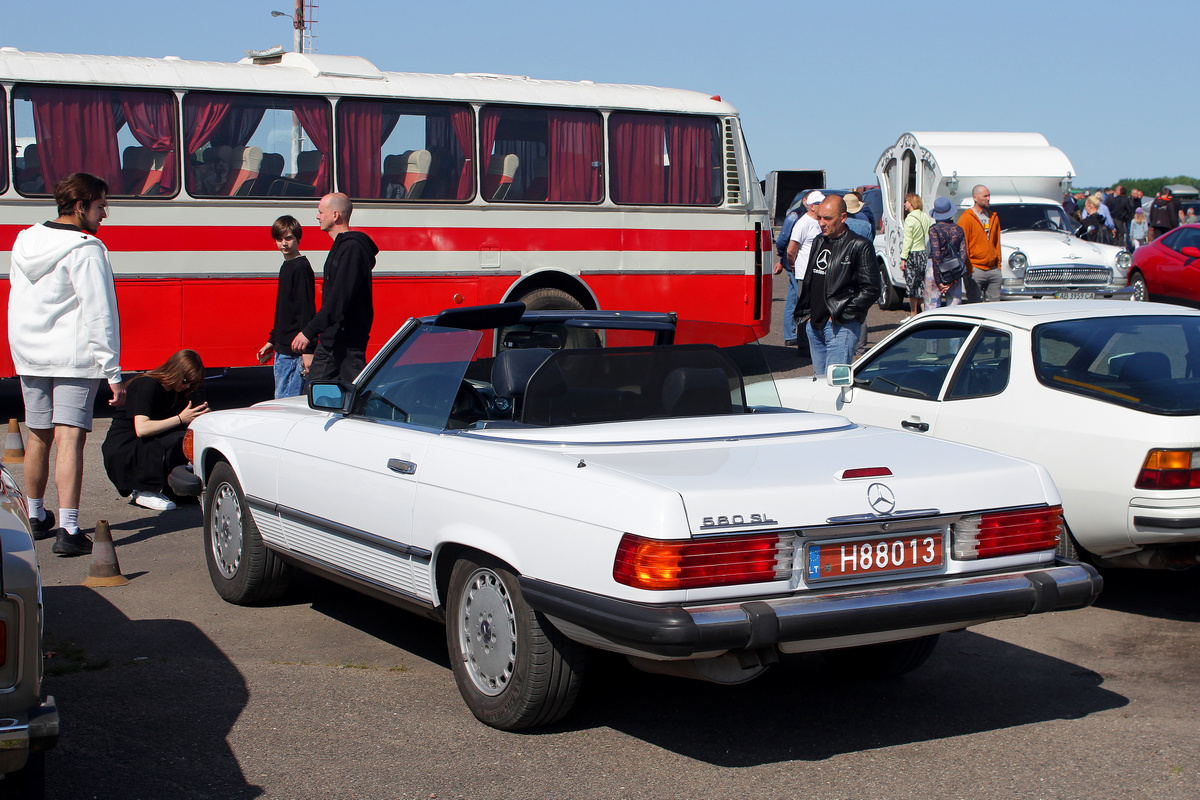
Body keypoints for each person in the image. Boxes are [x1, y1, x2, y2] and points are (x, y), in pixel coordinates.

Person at [8, 172, 125, 557]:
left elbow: (18, 300)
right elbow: (100, 313)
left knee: (37, 435)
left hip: (30, 355)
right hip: (73, 358)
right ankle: (70, 529)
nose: (104, 214)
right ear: (80, 207)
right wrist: (113, 371)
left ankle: (37, 516)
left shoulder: (24, 239)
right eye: (100, 206)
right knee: (70, 439)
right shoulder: (86, 248)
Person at [101, 350, 208, 511]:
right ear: (175, 371)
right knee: (178, 439)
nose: (187, 386)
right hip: (126, 446)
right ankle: (144, 489)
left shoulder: (176, 392)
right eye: (186, 380)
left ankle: (169, 487)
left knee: (188, 437)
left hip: (146, 444)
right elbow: (142, 429)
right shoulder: (146, 385)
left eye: (192, 384)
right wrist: (180, 418)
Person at [291, 193, 379, 384]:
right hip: (331, 340)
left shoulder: (353, 249)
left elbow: (339, 298)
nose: (317, 216)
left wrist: (308, 332)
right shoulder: (340, 247)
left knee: (357, 398)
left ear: (335, 215)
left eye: (321, 212)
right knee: (314, 397)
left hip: (347, 342)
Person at [800, 195, 879, 375]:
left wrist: (842, 314)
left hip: (840, 327)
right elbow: (811, 279)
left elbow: (871, 289)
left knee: (835, 385)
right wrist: (808, 314)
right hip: (815, 324)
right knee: (819, 384)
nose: (821, 223)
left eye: (827, 218)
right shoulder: (819, 241)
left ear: (843, 217)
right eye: (819, 217)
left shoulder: (860, 245)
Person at [256, 216, 316, 398]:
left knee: (286, 404)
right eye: (279, 239)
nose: (284, 243)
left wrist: (308, 350)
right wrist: (273, 340)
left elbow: (306, 310)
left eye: (288, 238)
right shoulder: (287, 266)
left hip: (294, 352)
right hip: (284, 349)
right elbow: (284, 310)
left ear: (298, 238)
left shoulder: (301, 267)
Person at [784, 190, 824, 352]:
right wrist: (792, 265)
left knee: (816, 307)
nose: (823, 206)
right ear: (812, 206)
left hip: (818, 271)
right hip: (804, 273)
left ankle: (814, 341)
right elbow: (791, 250)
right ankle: (803, 344)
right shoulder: (803, 223)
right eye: (820, 203)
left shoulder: (819, 222)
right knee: (804, 308)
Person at [958, 185, 1001, 302]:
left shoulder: (993, 217)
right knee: (974, 303)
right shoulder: (966, 218)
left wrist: (998, 265)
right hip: (975, 268)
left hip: (993, 269)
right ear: (975, 197)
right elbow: (963, 244)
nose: (988, 199)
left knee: (995, 304)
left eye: (989, 196)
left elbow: (997, 243)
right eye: (985, 196)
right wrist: (968, 268)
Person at [926, 197, 968, 308]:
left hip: (935, 268)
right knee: (954, 306)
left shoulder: (934, 229)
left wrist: (939, 280)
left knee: (931, 305)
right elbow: (963, 255)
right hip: (955, 267)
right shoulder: (959, 229)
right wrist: (952, 280)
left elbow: (936, 255)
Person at [899, 193, 933, 318]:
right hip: (923, 253)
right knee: (922, 284)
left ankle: (913, 313)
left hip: (912, 253)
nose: (904, 204)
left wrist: (903, 258)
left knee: (912, 285)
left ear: (911, 203)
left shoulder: (910, 219)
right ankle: (925, 311)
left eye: (906, 201)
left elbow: (908, 240)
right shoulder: (925, 216)